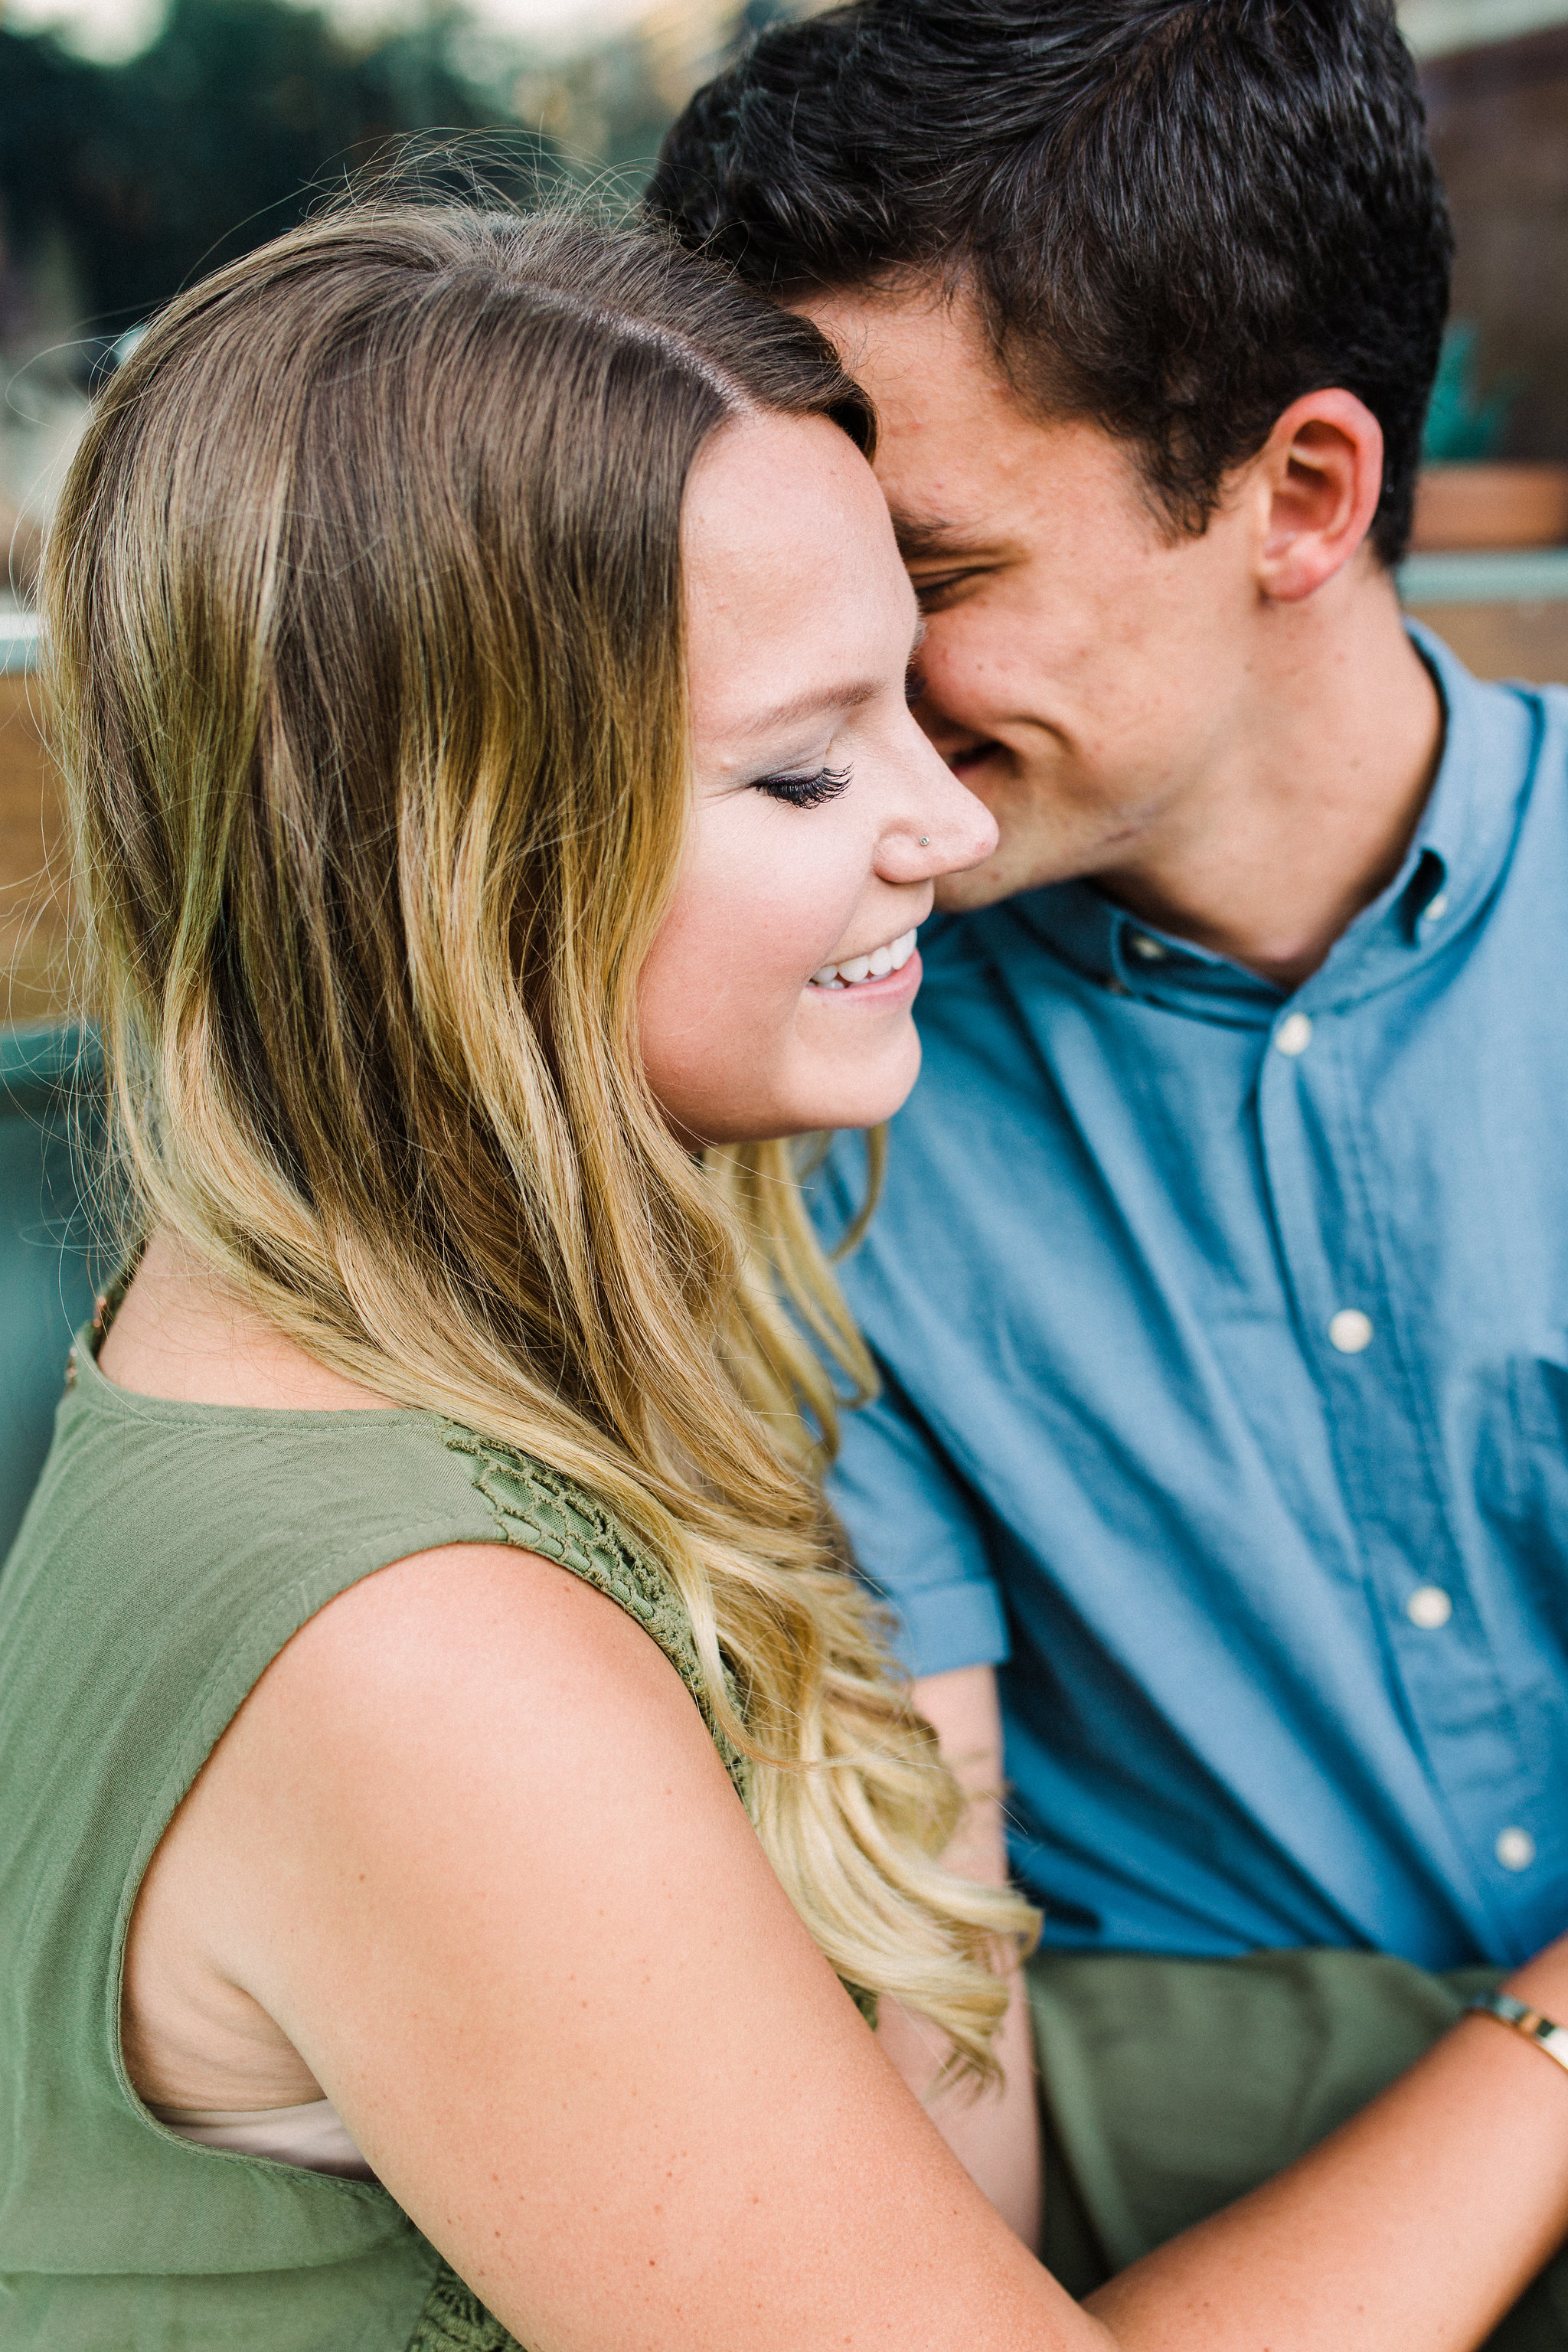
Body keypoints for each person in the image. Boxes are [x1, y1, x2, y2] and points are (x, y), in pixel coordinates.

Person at [6, 190, 1568, 2352]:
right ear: (457, 860)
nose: (942, 825)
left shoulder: (532, 1351)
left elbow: (955, 2154)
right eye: (811, 761)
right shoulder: (427, 1659)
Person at [648, 0, 1568, 2326]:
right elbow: (930, 2061)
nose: (835, 685)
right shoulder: (810, 1107)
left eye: (929, 572)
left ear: (1302, 496)